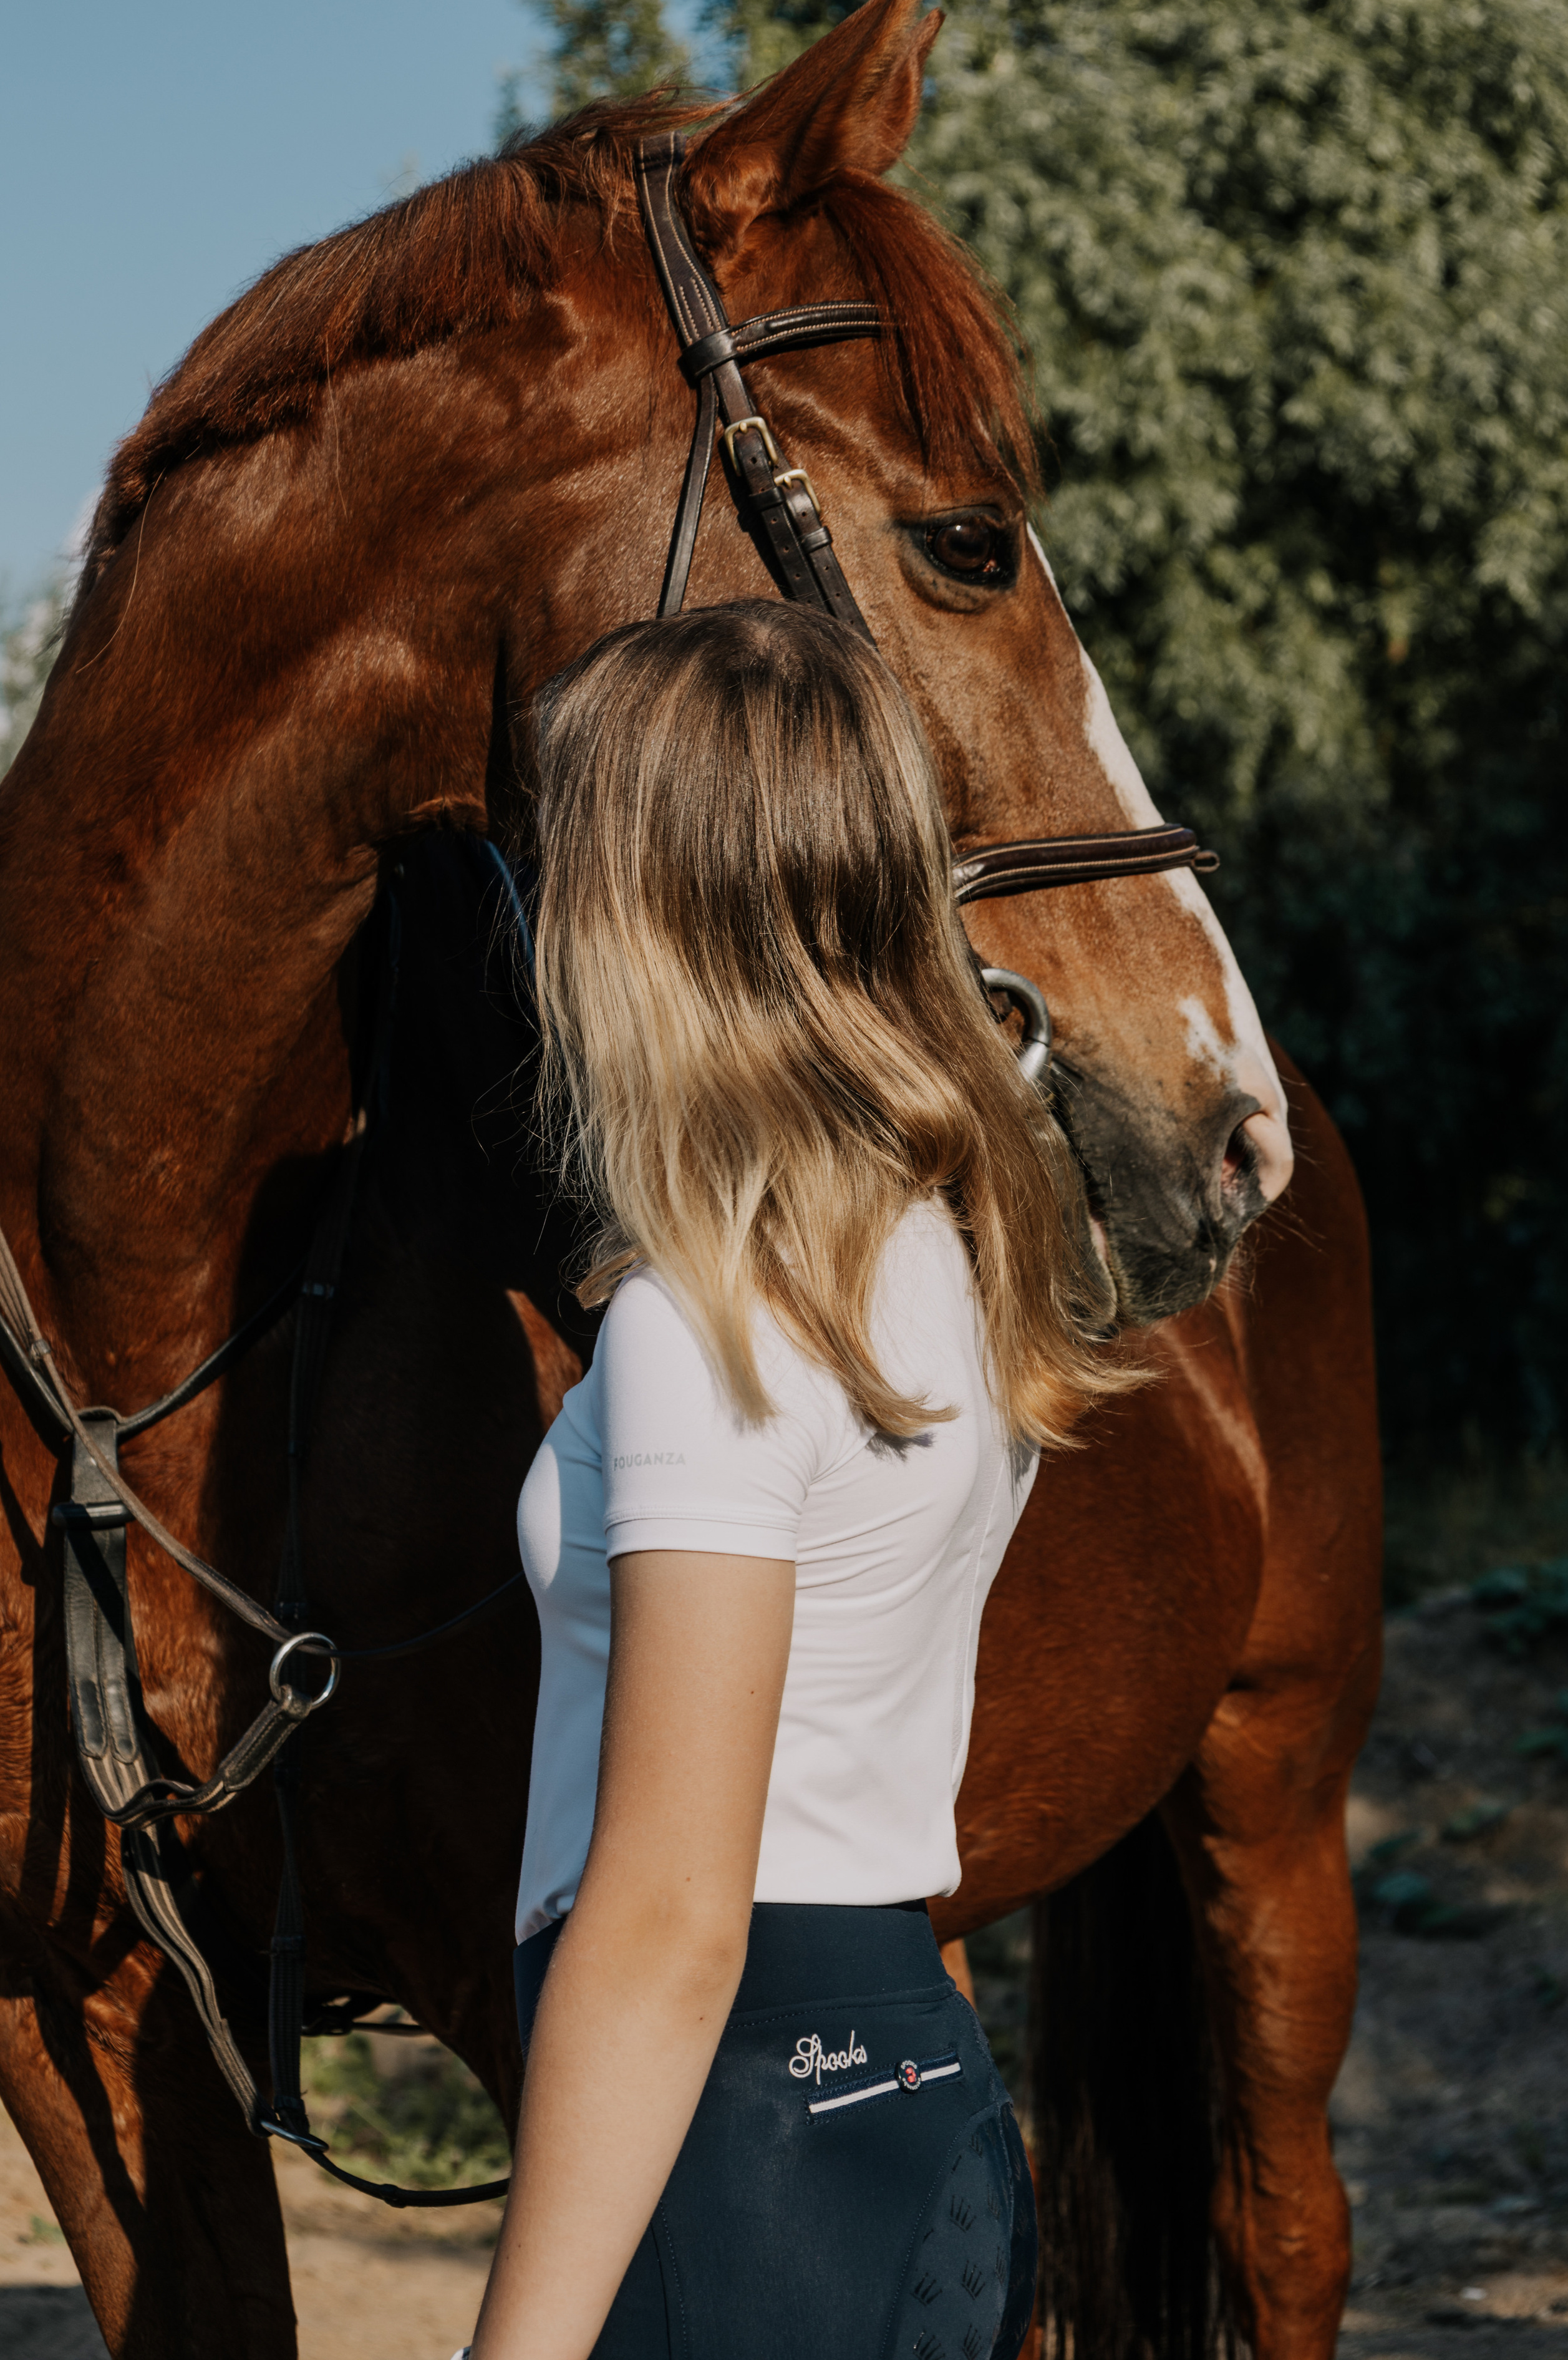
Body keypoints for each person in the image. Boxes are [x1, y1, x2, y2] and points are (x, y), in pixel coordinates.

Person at [462, 600, 1131, 2360]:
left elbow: (679, 1908)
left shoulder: (714, 1330)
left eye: (563, 871)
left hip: (737, 2133)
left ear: (647, 924)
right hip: (909, 2085)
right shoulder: (950, 1258)